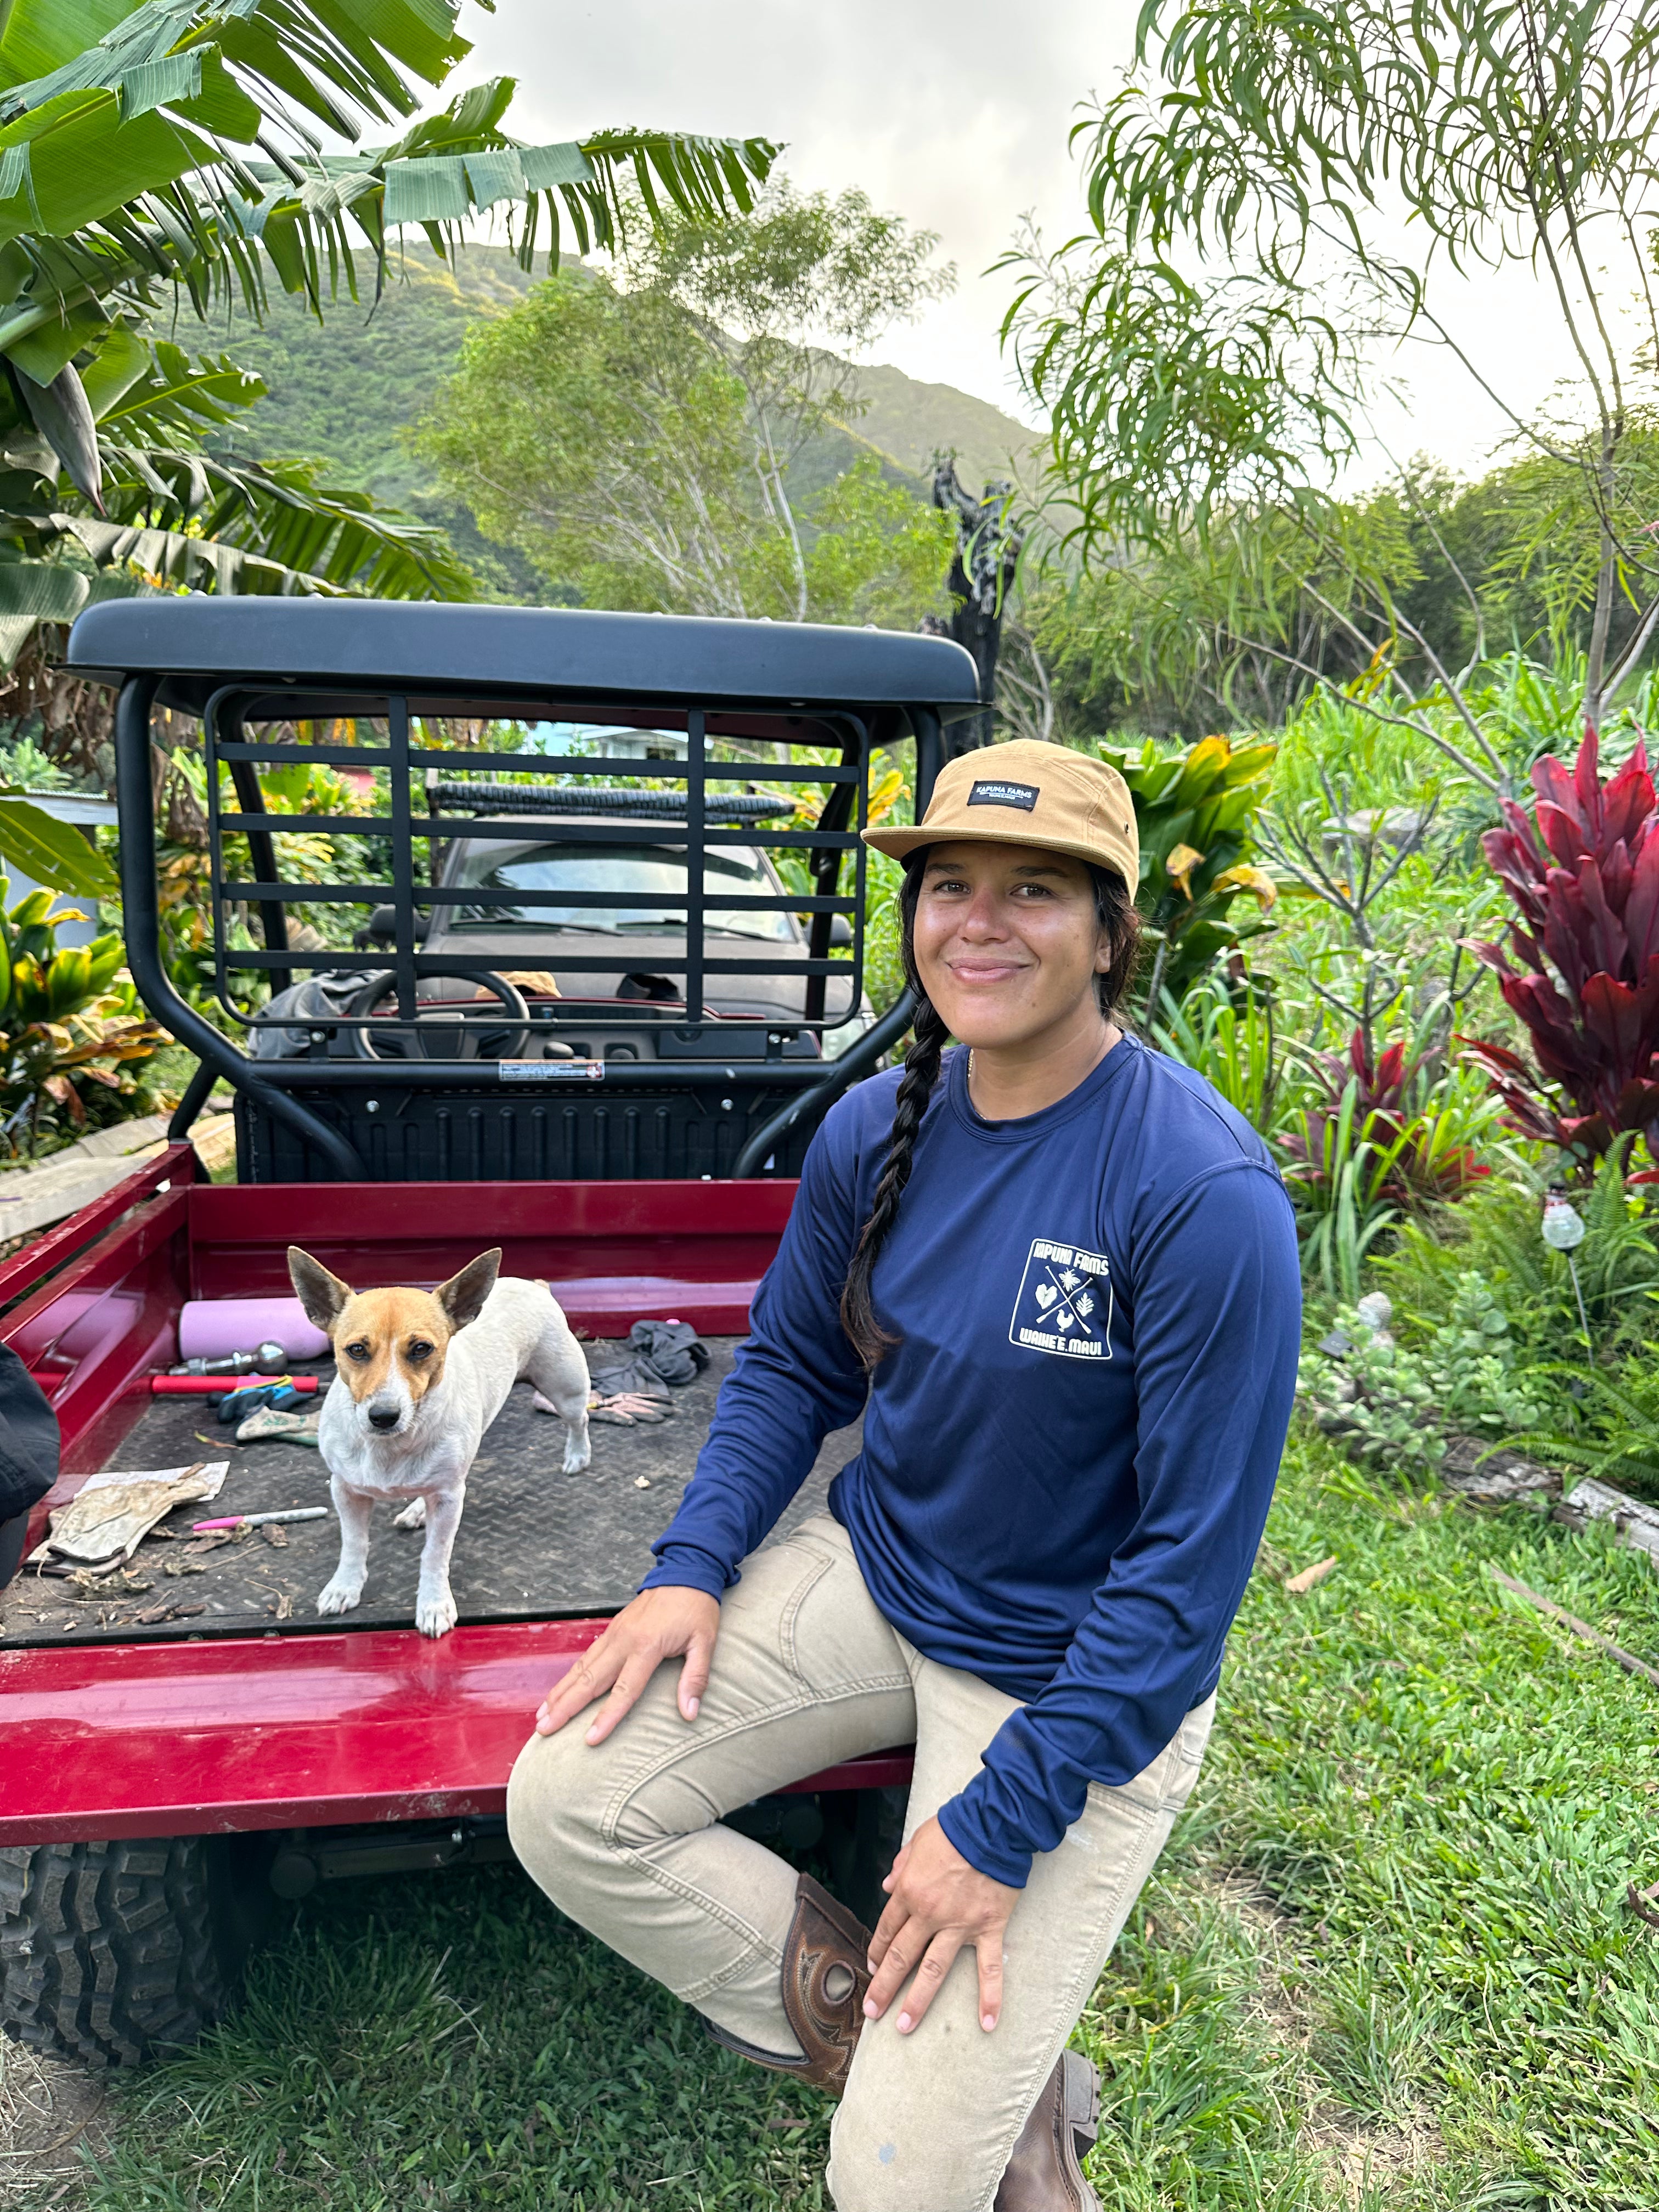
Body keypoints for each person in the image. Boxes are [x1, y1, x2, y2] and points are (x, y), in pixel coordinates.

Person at [507, 738, 1301, 2211]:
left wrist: (996, 1830)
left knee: (890, 2193)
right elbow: (795, 1372)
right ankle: (963, 2074)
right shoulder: (875, 1126)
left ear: (1113, 935)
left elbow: (1186, 1584)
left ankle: (969, 2107)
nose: (980, 922)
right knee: (565, 1800)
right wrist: (686, 1573)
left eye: (1035, 890)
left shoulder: (1200, 1194)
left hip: (1070, 1684)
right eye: (949, 887)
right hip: (883, 1575)